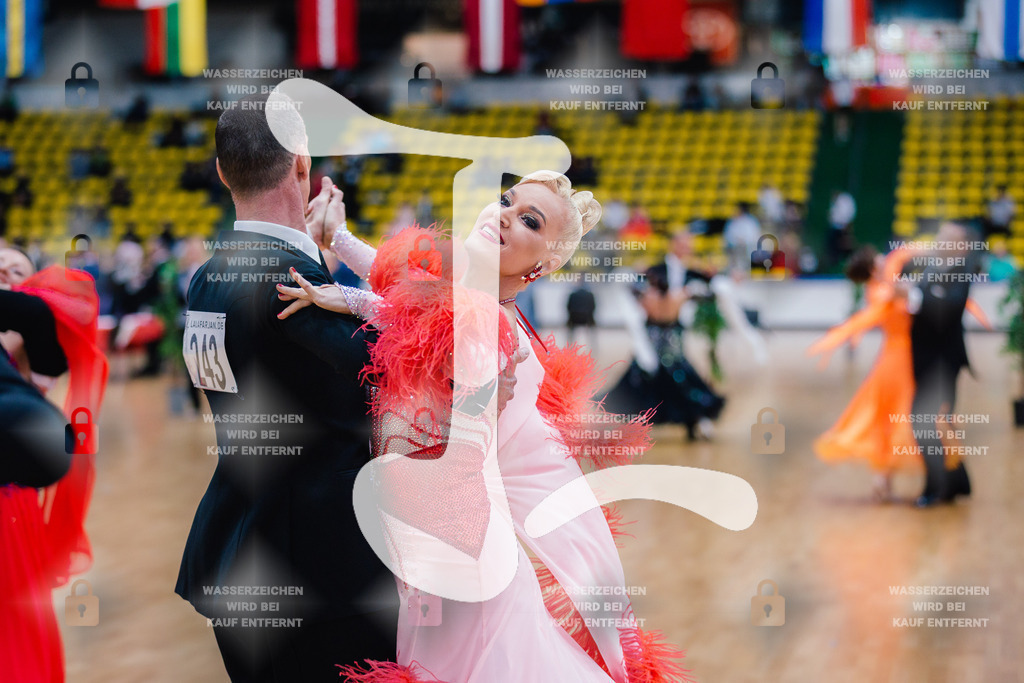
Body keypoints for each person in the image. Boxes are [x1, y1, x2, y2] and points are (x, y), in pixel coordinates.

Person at [276, 172, 689, 682]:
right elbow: (413, 288)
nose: (505, 216)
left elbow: (420, 316)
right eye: (507, 202)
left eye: (530, 221)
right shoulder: (479, 304)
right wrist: (338, 239)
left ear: (539, 267)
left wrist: (354, 299)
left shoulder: (496, 330)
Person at [173, 93, 398, 681]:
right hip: (322, 576)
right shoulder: (289, 286)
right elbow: (390, 384)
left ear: (222, 171)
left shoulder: (206, 280)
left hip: (234, 551)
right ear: (303, 164)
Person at [1, 252, 109, 683]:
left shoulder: (38, 359)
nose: (5, 275)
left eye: (16, 272)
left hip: (9, 504)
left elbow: (55, 316)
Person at [605, 230, 726, 441]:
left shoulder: (692, 273)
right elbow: (637, 291)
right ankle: (634, 425)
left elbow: (710, 289)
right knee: (646, 374)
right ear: (674, 244)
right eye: (683, 242)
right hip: (653, 331)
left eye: (689, 243)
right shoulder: (655, 270)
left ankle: (694, 420)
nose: (687, 247)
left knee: (680, 375)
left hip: (674, 332)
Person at [903, 222, 981, 507]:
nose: (940, 240)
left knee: (924, 422)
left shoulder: (962, 271)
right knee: (941, 423)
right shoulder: (930, 267)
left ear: (961, 246)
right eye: (940, 235)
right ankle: (956, 482)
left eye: (948, 238)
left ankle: (936, 487)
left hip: (943, 362)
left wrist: (914, 297)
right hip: (925, 360)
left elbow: (948, 309)